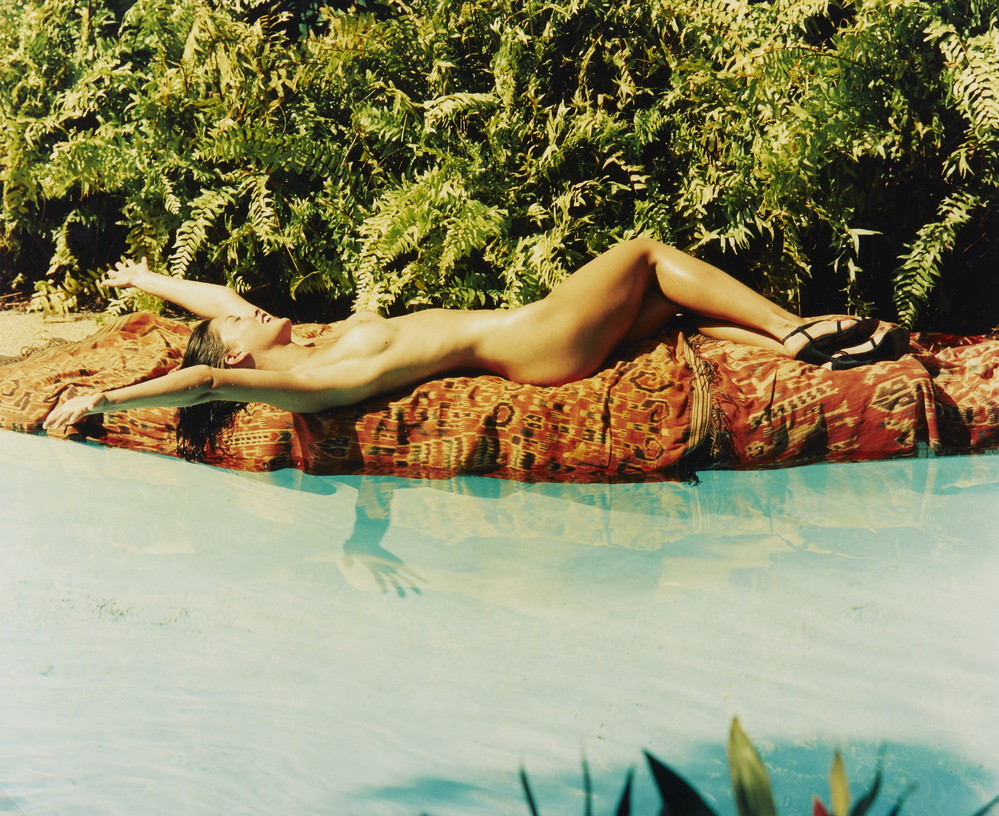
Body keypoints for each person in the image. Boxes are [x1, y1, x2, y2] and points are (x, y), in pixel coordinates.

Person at [42, 238, 906, 459]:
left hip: (530, 334)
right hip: (531, 341)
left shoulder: (299, 339)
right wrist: (105, 400)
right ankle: (790, 327)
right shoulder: (315, 378)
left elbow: (215, 304)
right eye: (243, 323)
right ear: (234, 359)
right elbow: (199, 380)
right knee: (644, 255)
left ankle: (815, 348)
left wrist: (146, 278)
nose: (252, 308)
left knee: (671, 310)